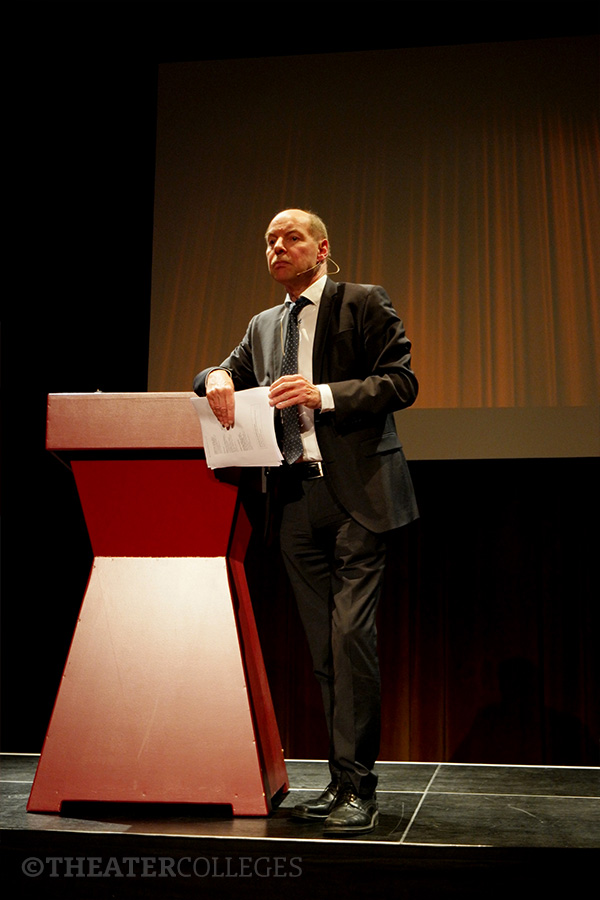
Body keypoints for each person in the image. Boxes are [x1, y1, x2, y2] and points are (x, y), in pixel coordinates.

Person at [193, 208, 418, 834]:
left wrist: (323, 394)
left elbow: (401, 383)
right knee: (323, 649)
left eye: (291, 238)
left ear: (321, 250)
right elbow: (217, 374)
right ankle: (341, 781)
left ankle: (360, 786)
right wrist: (215, 376)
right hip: (293, 500)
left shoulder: (362, 302)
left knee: (351, 639)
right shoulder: (264, 325)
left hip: (358, 495)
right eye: (269, 240)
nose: (278, 247)